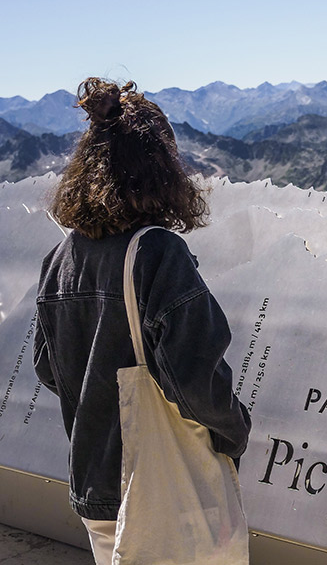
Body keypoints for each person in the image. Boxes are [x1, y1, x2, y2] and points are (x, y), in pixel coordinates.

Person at [32, 78, 251, 564]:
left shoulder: (59, 257)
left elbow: (49, 369)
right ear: (159, 170)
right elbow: (193, 377)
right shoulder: (156, 252)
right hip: (160, 488)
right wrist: (234, 431)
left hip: (94, 480)